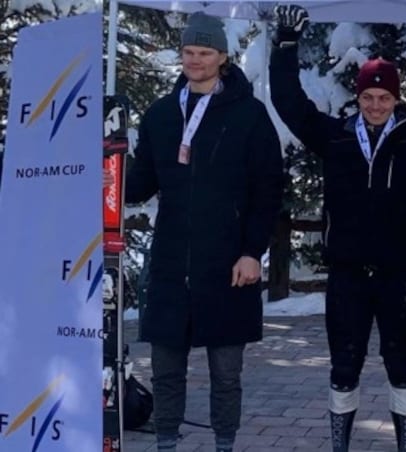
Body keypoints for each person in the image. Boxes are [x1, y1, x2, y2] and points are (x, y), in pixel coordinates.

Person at [268, 5, 406, 451]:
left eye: (384, 98)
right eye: (368, 98)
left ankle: (405, 445)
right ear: (358, 99)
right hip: (347, 275)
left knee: (401, 365)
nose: (376, 106)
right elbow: (289, 104)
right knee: (344, 367)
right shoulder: (336, 136)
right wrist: (285, 44)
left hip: (399, 274)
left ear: (396, 99)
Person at [118, 12, 284, 452]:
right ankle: (167, 444)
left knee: (226, 374)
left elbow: (268, 191)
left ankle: (224, 444)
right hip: (172, 262)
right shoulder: (161, 114)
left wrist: (253, 251)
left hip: (228, 263)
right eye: (189, 52)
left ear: (223, 57)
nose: (195, 60)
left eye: (204, 53)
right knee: (165, 370)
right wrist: (112, 176)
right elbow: (142, 184)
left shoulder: (250, 115)